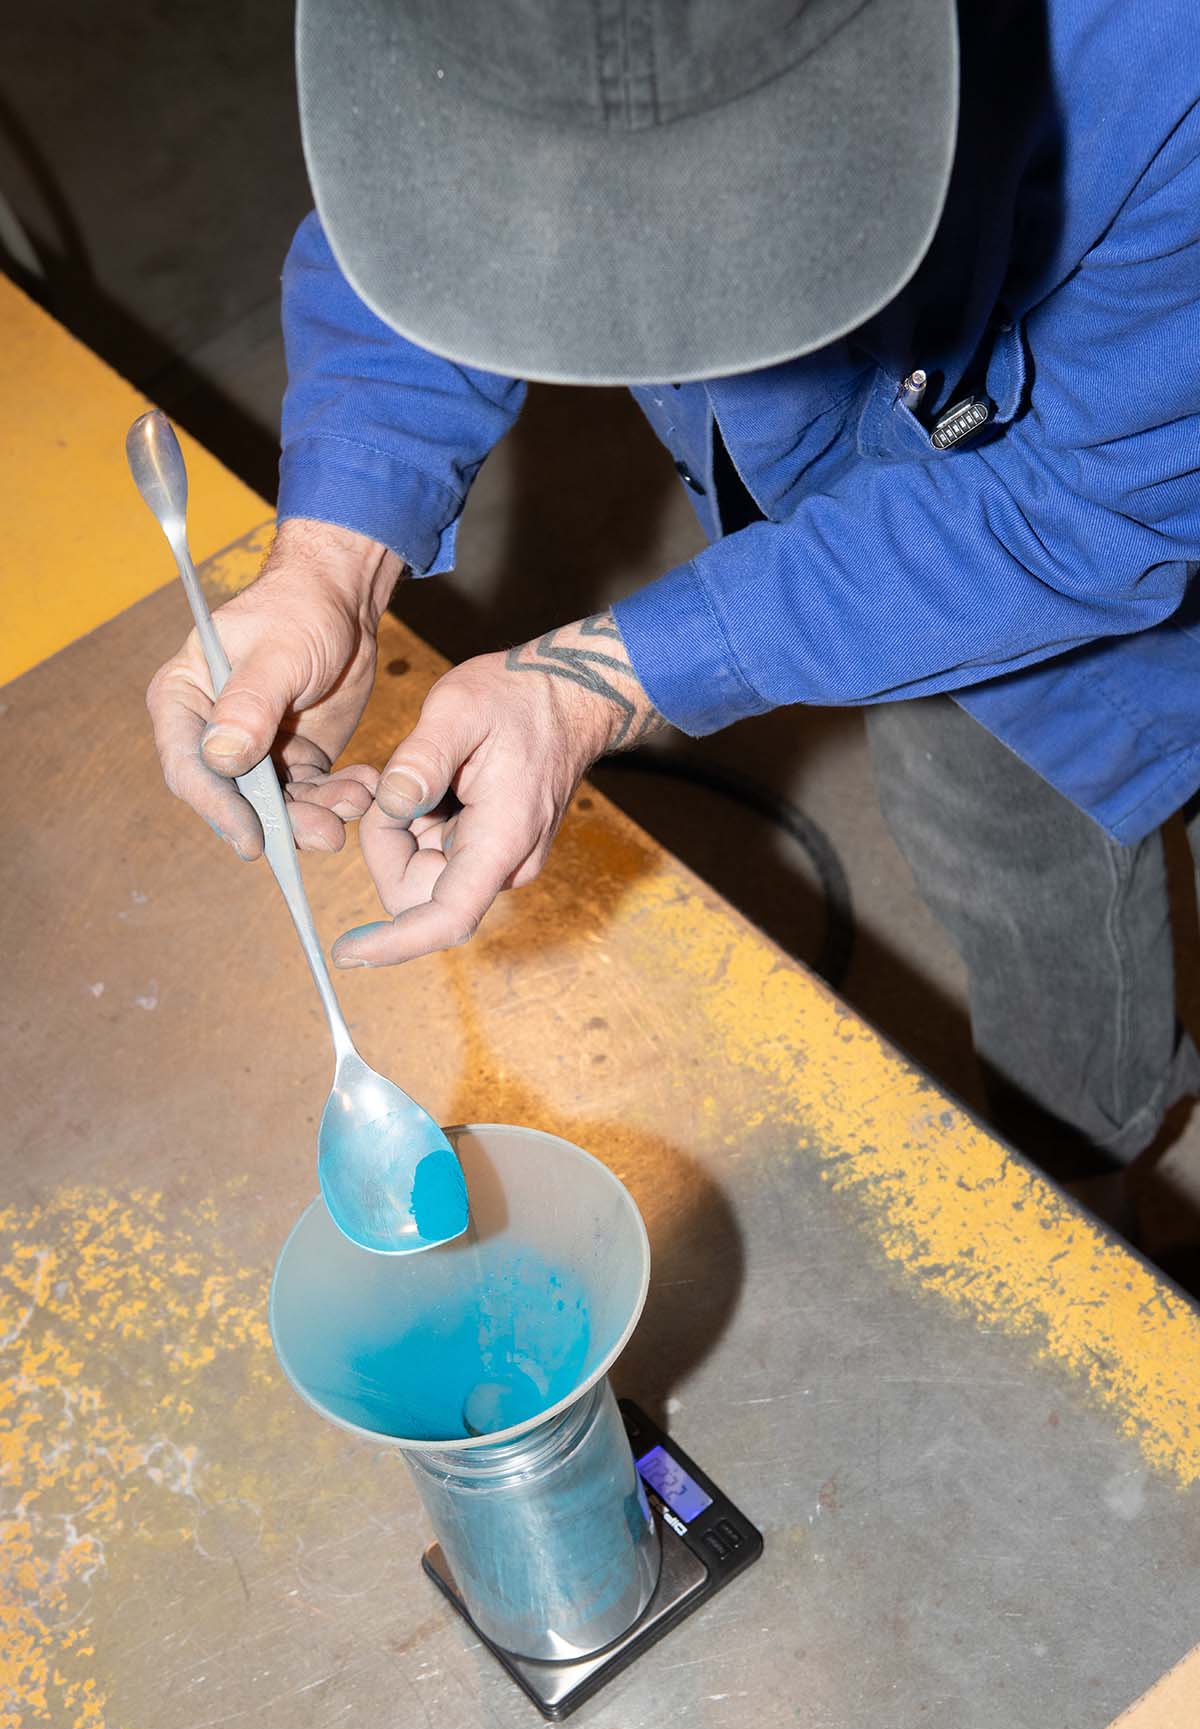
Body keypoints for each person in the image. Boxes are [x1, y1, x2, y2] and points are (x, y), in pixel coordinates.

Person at [148, 0, 1200, 1222]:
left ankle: (1090, 1187)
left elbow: (1086, 502)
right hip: (951, 459)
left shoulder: (1154, 56)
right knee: (969, 795)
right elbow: (430, 221)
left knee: (1034, 798)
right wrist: (331, 560)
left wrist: (620, 676)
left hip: (1107, 449)